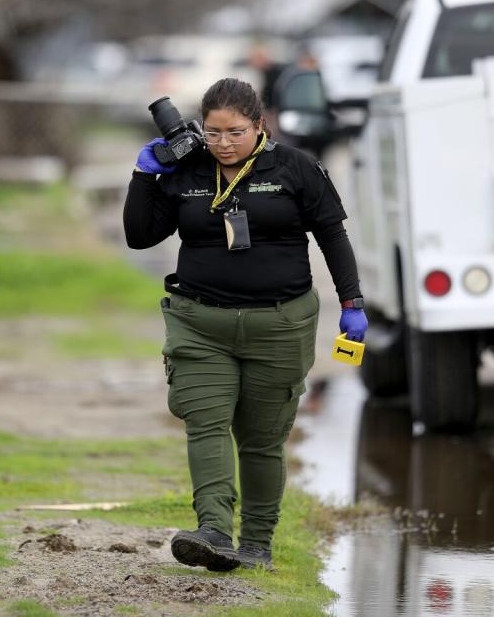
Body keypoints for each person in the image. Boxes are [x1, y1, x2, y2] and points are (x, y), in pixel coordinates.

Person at [123, 78, 367, 572]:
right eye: (212, 133)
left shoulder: (295, 167)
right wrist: (144, 175)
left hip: (280, 326)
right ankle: (213, 530)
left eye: (235, 132)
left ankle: (256, 543)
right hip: (200, 324)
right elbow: (139, 235)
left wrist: (352, 303)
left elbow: (332, 236)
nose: (223, 144)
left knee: (261, 439)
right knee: (205, 422)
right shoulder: (188, 169)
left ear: (260, 126)